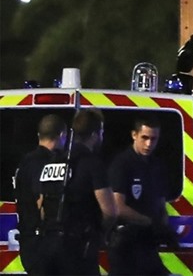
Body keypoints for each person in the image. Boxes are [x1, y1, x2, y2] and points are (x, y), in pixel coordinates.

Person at [37, 108, 117, 275]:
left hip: (48, 246)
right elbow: (110, 212)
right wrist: (99, 234)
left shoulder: (53, 162)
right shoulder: (94, 164)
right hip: (78, 249)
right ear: (95, 134)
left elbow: (41, 206)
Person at [108, 115, 174, 275]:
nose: (149, 144)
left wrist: (163, 225)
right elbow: (118, 206)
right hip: (126, 244)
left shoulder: (156, 165)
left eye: (154, 139)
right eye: (144, 138)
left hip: (147, 242)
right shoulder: (123, 163)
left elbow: (160, 202)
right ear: (134, 135)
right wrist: (149, 222)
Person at [13, 114, 67, 274]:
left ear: (39, 135)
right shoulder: (52, 163)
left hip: (29, 243)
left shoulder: (25, 163)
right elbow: (41, 201)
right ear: (62, 135)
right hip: (46, 241)